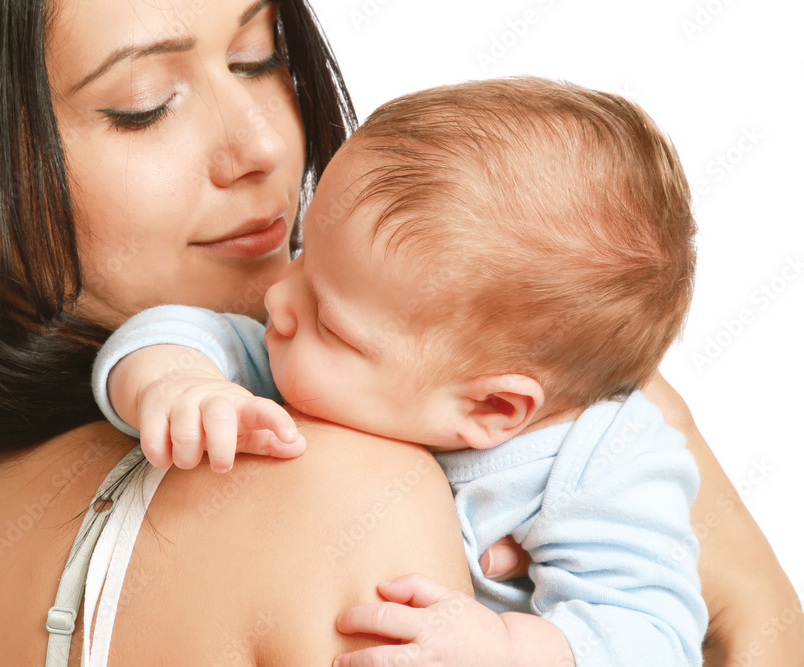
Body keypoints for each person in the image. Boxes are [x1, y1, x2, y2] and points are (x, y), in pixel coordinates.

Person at [0, 0, 799, 666]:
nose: (268, 146)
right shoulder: (345, 487)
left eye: (260, 56)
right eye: (141, 108)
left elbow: (642, 620)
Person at [91, 77, 708, 666]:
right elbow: (184, 333)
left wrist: (507, 649)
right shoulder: (298, 364)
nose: (278, 298)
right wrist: (172, 381)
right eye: (305, 252)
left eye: (328, 323)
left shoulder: (607, 463)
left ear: (489, 409)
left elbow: (656, 638)